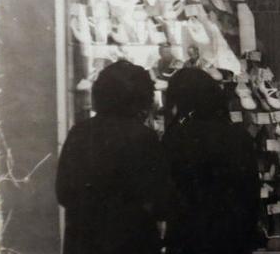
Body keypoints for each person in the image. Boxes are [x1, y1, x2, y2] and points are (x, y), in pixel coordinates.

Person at [56, 60, 171, 254]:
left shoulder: (79, 132)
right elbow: (160, 201)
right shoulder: (143, 137)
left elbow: (64, 193)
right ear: (141, 97)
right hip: (132, 241)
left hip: (84, 240)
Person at [161, 68, 260, 254]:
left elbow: (169, 193)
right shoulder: (238, 135)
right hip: (232, 237)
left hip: (190, 238)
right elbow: (251, 190)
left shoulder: (177, 136)